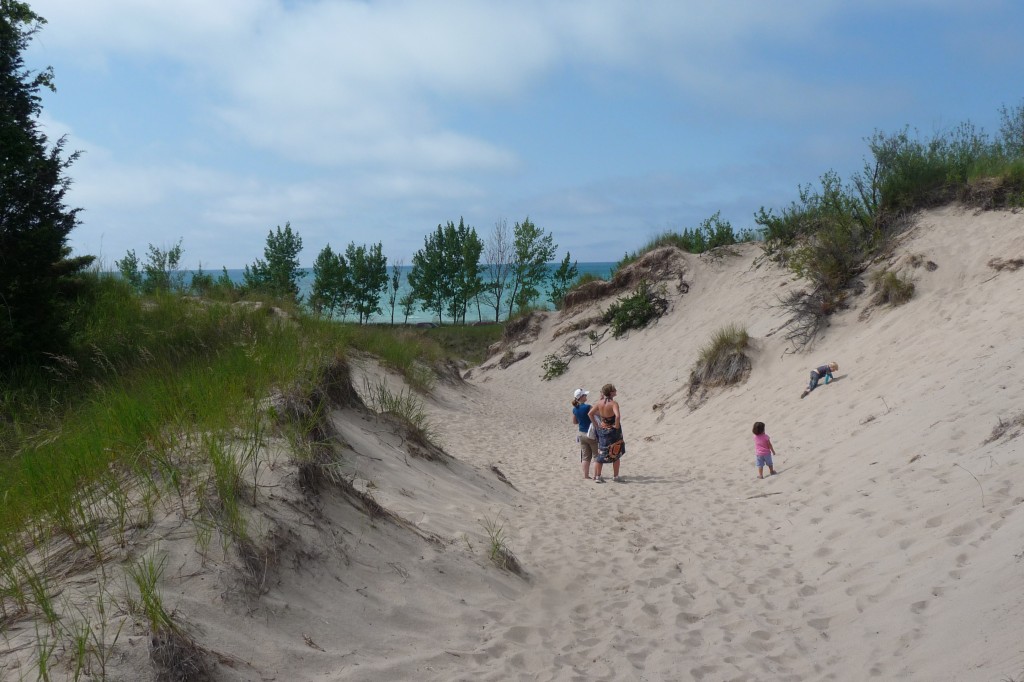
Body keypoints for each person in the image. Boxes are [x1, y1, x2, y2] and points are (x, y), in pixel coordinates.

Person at [588, 384, 625, 483]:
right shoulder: (613, 403)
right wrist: (616, 426)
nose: (616, 390)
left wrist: (596, 425)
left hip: (603, 430)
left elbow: (590, 414)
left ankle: (598, 477)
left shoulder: (599, 403)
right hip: (613, 431)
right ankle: (616, 476)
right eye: (614, 389)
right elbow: (617, 416)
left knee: (601, 453)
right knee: (616, 452)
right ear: (611, 392)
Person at [571, 388, 598, 479]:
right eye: (585, 395)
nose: (586, 396)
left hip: (581, 434)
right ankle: (596, 475)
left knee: (585, 457)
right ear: (581, 397)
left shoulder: (575, 409)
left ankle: (586, 475)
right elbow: (598, 413)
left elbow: (574, 422)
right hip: (590, 433)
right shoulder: (588, 407)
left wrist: (582, 419)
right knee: (595, 456)